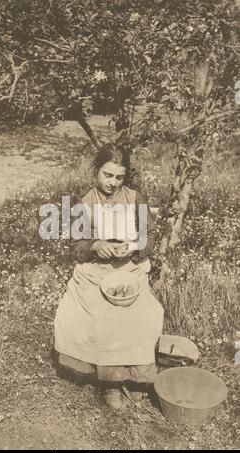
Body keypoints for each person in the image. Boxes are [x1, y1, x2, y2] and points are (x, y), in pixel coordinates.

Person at [53, 143, 164, 409]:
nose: (112, 183)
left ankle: (135, 377)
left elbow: (150, 237)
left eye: (119, 177)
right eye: (107, 175)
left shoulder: (135, 199)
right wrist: (94, 246)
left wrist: (135, 246)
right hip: (95, 270)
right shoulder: (84, 204)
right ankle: (110, 383)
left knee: (143, 312)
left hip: (129, 268)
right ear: (96, 171)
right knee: (99, 314)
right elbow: (76, 245)